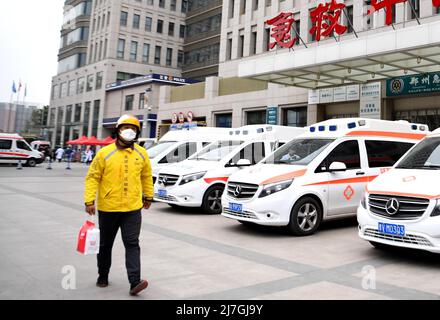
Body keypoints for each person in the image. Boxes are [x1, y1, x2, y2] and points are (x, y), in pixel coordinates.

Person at [84, 114, 153, 296]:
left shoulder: (141, 153)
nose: (129, 131)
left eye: (133, 128)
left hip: (132, 208)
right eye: (124, 128)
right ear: (117, 131)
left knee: (132, 243)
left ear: (137, 133)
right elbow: (93, 177)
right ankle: (103, 275)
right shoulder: (104, 153)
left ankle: (134, 282)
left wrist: (149, 196)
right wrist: (89, 200)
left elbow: (146, 176)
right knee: (105, 245)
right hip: (108, 208)